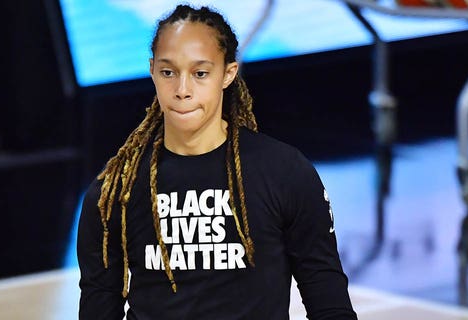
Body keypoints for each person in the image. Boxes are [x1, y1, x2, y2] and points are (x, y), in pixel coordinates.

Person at [77, 4, 357, 320]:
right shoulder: (115, 190)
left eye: (200, 73)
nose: (182, 90)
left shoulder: (285, 172)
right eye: (169, 72)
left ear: (228, 74)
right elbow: (98, 304)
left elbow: (327, 297)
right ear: (152, 70)